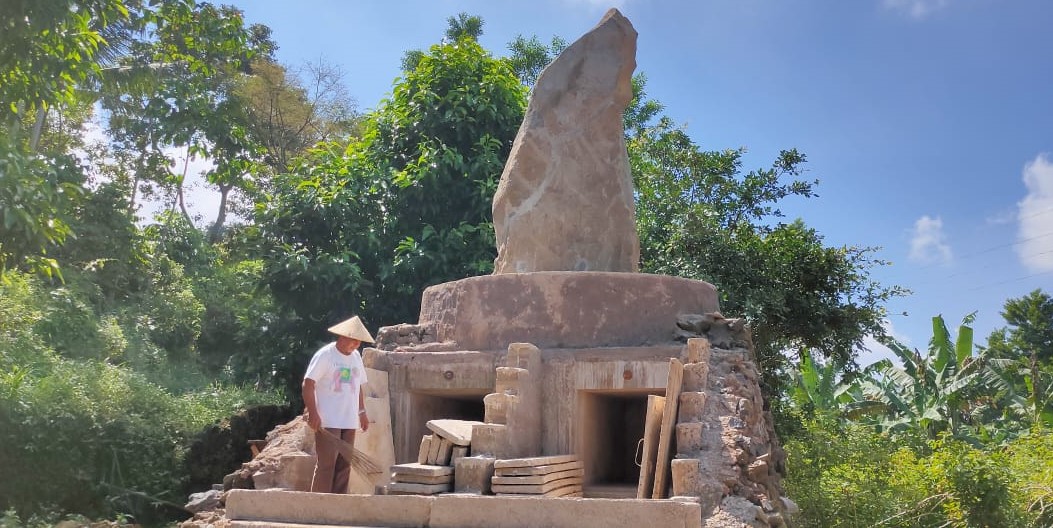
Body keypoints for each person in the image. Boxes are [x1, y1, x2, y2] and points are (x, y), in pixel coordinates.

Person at [302, 315, 372, 494]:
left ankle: (338, 504)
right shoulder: (326, 355)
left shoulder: (356, 357)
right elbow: (308, 384)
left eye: (359, 342)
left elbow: (358, 387)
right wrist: (313, 413)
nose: (356, 345)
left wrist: (362, 412)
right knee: (327, 464)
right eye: (353, 341)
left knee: (345, 465)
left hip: (349, 420)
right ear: (342, 337)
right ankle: (318, 504)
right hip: (328, 419)